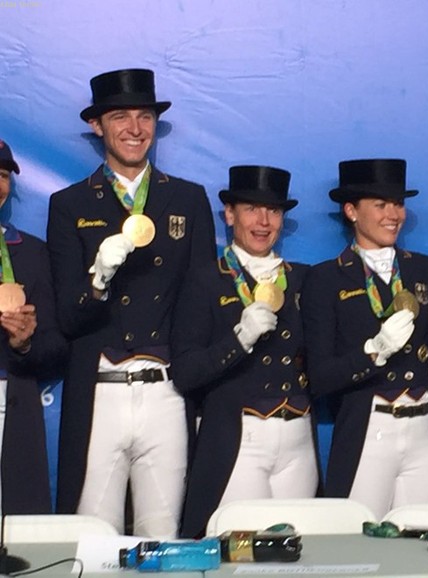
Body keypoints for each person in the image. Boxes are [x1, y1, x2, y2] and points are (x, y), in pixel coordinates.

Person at [46, 68, 216, 536]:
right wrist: (97, 280)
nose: (135, 129)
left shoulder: (186, 198)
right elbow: (67, 316)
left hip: (166, 388)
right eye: (120, 117)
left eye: (144, 117)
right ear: (98, 126)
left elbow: (202, 306)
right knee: (91, 536)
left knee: (161, 534)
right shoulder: (70, 204)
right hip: (99, 388)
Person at [302, 159, 428, 519]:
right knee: (360, 543)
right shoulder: (326, 279)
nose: (394, 214)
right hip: (369, 429)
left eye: (398, 204)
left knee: (423, 544)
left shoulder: (425, 269)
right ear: (352, 211)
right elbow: (320, 378)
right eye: (381, 205)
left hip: (424, 431)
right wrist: (374, 352)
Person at [172, 165, 318, 538]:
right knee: (244, 554)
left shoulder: (303, 278)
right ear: (229, 214)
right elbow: (186, 371)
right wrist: (239, 341)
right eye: (252, 209)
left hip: (298, 436)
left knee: (297, 552)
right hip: (242, 437)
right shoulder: (205, 278)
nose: (264, 221)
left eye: (273, 211)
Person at [0, 139, 66, 514]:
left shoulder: (32, 251)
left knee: (20, 533)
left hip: (17, 401)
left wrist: (25, 345)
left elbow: (58, 348)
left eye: (3, 175)